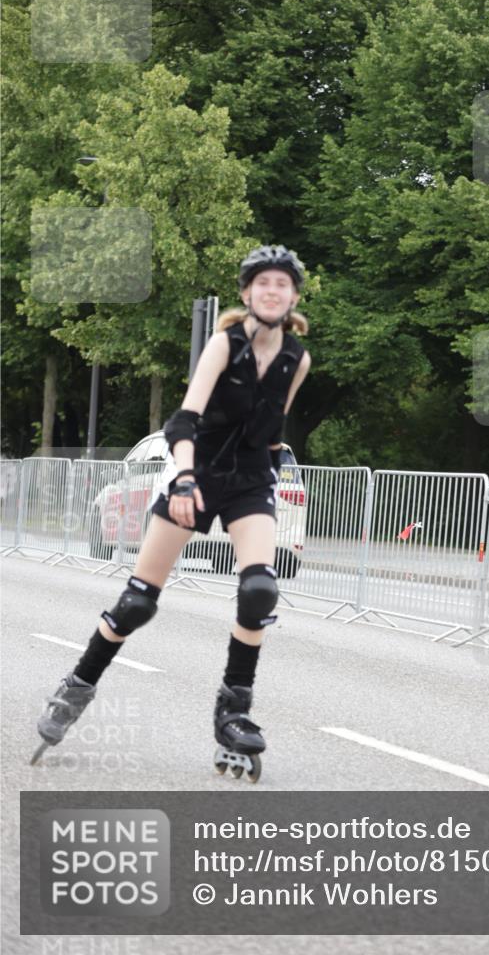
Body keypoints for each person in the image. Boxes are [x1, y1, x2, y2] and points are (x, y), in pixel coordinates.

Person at [33, 245, 312, 782]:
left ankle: (233, 714)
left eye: (282, 283)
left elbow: (274, 430)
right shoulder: (223, 344)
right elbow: (183, 421)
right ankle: (78, 683)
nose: (272, 291)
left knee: (259, 591)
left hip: (250, 482)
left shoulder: (296, 359)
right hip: (196, 473)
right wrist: (183, 477)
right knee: (138, 602)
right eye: (262, 282)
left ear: (294, 295)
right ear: (246, 292)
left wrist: (274, 478)